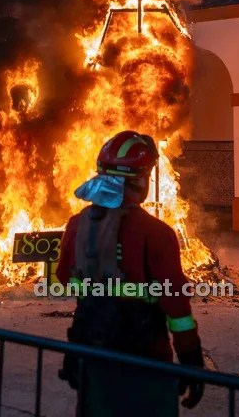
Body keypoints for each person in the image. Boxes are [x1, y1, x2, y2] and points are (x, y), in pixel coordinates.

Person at [57, 130, 205, 412]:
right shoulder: (157, 233)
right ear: (138, 181)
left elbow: (64, 278)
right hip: (146, 361)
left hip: (92, 353)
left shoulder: (77, 225)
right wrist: (191, 360)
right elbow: (177, 308)